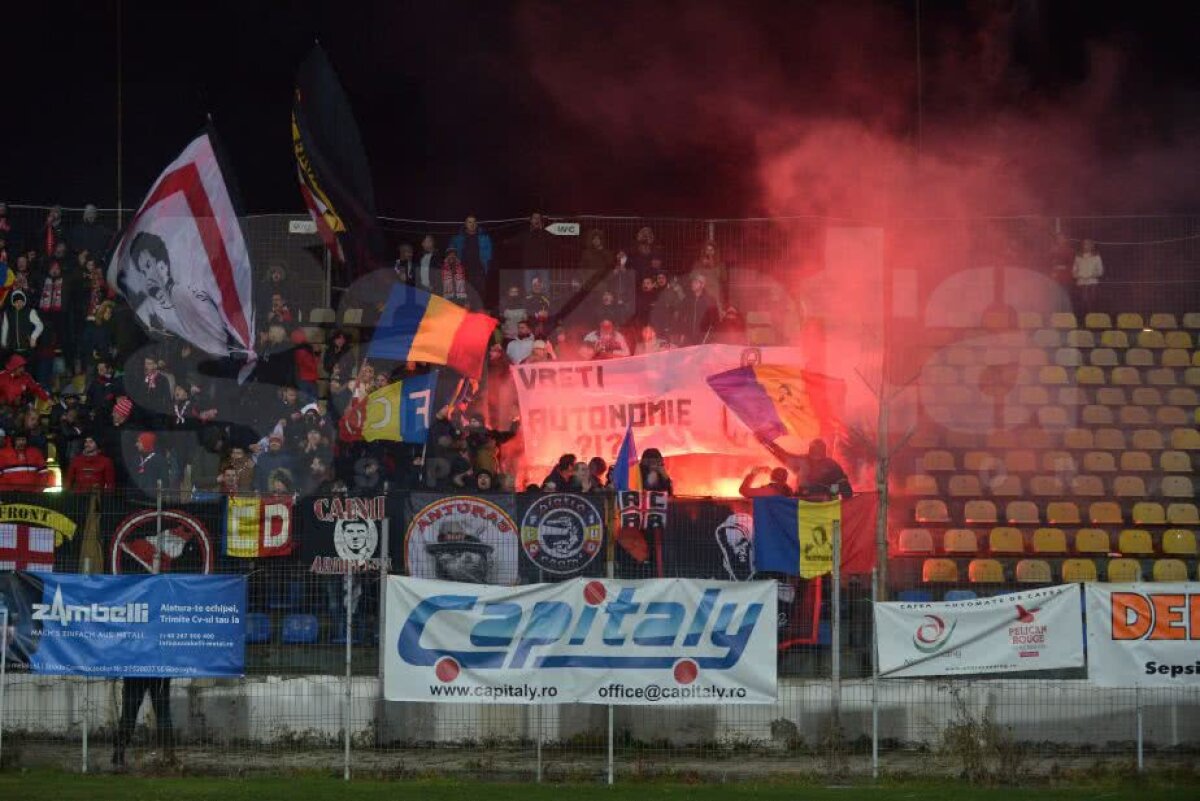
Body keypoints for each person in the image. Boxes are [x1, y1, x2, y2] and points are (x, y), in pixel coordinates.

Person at [113, 675, 174, 768]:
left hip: (137, 668)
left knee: (129, 712)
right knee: (163, 713)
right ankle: (168, 756)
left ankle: (119, 753)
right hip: (158, 669)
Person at [448, 215, 494, 308]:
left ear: (476, 224)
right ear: (465, 224)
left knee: (480, 295)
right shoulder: (457, 238)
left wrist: (487, 266)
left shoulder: (484, 237)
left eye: (474, 222)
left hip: (479, 271)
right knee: (463, 297)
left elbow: (489, 254)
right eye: (469, 222)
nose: (472, 224)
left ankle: (478, 316)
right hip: (463, 271)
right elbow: (450, 252)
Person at [676, 273, 719, 345]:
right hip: (688, 338)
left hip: (702, 339)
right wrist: (682, 334)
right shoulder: (687, 299)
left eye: (696, 282)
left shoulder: (710, 300)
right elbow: (681, 317)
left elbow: (714, 322)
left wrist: (709, 338)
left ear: (702, 285)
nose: (693, 284)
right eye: (693, 282)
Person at [0, 290, 44, 356]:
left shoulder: (30, 312)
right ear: (13, 302)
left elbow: (40, 325)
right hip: (12, 348)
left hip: (27, 348)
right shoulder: (8, 313)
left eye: (21, 302)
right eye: (16, 302)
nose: (19, 304)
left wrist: (34, 337)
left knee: (28, 365)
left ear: (24, 302)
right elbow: (5, 328)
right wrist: (3, 342)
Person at [1072, 238, 1103, 313]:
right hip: (1081, 282)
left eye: (1088, 244)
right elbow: (1074, 270)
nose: (1086, 246)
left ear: (1092, 245)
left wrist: (1091, 275)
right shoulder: (1078, 256)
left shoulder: (1096, 256)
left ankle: (1092, 318)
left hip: (1092, 282)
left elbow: (1100, 271)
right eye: (1085, 244)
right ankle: (1083, 319)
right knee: (1083, 301)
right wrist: (1078, 275)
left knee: (1092, 302)